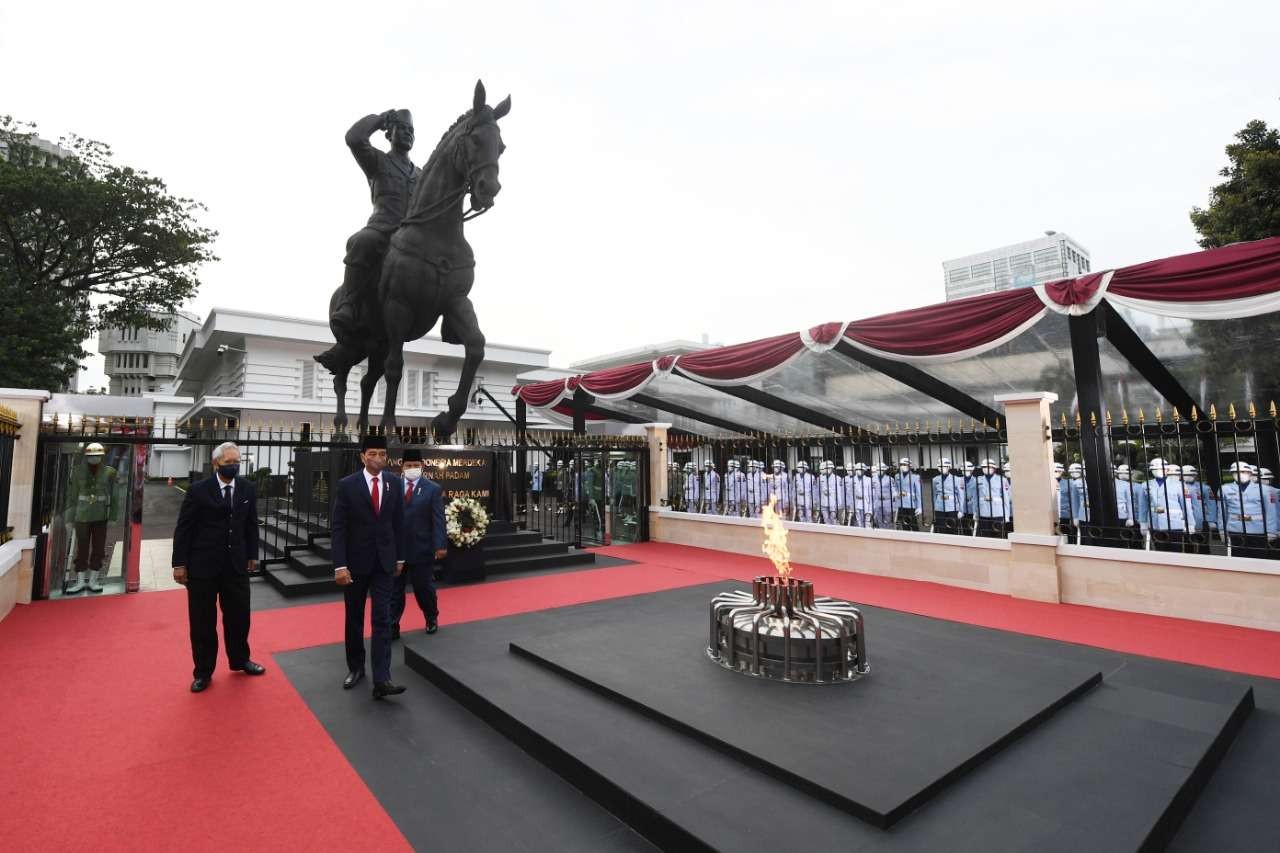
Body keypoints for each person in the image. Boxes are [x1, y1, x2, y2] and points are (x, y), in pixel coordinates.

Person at [171, 442, 265, 693]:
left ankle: (240, 659)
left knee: (239, 616)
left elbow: (251, 525)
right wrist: (179, 563)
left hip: (235, 566)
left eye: (237, 462)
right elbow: (184, 528)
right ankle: (203, 671)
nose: (234, 466)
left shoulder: (247, 488)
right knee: (202, 621)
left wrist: (252, 554)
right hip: (202, 567)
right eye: (229, 463)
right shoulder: (198, 490)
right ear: (216, 464)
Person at [330, 109, 421, 340]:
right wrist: (380, 119)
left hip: (413, 236)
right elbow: (354, 138)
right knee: (361, 241)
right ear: (390, 133)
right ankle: (348, 303)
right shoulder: (378, 160)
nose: (408, 134)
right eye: (403, 128)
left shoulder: (421, 174)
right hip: (382, 229)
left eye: (412, 130)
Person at [332, 434, 407, 699]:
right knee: (354, 618)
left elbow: (398, 523)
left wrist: (399, 558)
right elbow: (339, 527)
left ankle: (383, 678)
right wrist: (340, 565)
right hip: (355, 564)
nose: (378, 458)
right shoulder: (347, 485)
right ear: (363, 456)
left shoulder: (394, 484)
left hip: (385, 562)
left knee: (383, 619)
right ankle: (356, 667)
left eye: (382, 454)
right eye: (373, 453)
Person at [391, 449, 448, 638]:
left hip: (421, 549)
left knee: (423, 588)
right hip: (397, 550)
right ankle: (393, 625)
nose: (412, 469)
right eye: (408, 466)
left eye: (416, 466)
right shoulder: (392, 487)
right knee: (394, 591)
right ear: (402, 467)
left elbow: (438, 519)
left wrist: (440, 545)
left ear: (422, 467)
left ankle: (431, 616)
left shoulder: (432, 489)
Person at [63, 442, 118, 594]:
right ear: (86, 457)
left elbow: (115, 496)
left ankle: (93, 580)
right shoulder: (77, 472)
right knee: (81, 549)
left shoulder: (110, 472)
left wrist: (113, 515)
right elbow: (71, 496)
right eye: (91, 456)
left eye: (97, 456)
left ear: (102, 457)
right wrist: (69, 517)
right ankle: (80, 581)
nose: (94, 459)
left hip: (100, 515)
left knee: (99, 548)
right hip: (81, 515)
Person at [1220, 461, 1278, 559]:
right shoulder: (1225, 489)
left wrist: (1272, 530)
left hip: (1258, 531)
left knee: (1259, 560)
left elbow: (1271, 511)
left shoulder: (1264, 489)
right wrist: (1222, 530)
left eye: (1243, 471)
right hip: (1235, 530)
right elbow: (1222, 512)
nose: (1239, 474)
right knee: (1238, 560)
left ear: (1250, 473)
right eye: (1235, 472)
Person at [931, 458, 964, 535]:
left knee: (952, 530)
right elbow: (934, 495)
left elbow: (961, 496)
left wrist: (961, 510)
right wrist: (935, 508)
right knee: (941, 529)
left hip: (952, 508)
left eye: (945, 466)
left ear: (949, 467)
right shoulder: (935, 480)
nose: (942, 468)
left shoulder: (957, 479)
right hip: (939, 507)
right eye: (940, 466)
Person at [894, 458, 922, 531]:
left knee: (913, 524)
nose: (903, 466)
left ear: (910, 466)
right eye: (901, 465)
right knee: (904, 524)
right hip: (901, 503)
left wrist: (919, 506)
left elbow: (918, 493)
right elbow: (895, 488)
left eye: (905, 465)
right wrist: (896, 494)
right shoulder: (897, 476)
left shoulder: (915, 477)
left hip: (911, 503)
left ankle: (917, 538)